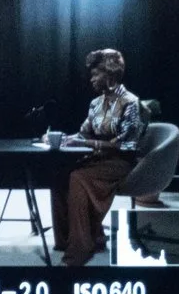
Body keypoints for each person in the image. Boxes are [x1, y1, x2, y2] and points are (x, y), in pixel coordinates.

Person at [49, 48, 145, 268]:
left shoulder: (130, 102)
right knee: (60, 176)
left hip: (120, 162)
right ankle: (69, 240)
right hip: (99, 158)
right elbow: (83, 134)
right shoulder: (95, 104)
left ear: (109, 75)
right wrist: (61, 138)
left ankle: (80, 249)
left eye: (95, 74)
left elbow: (126, 145)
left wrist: (88, 144)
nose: (91, 79)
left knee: (78, 178)